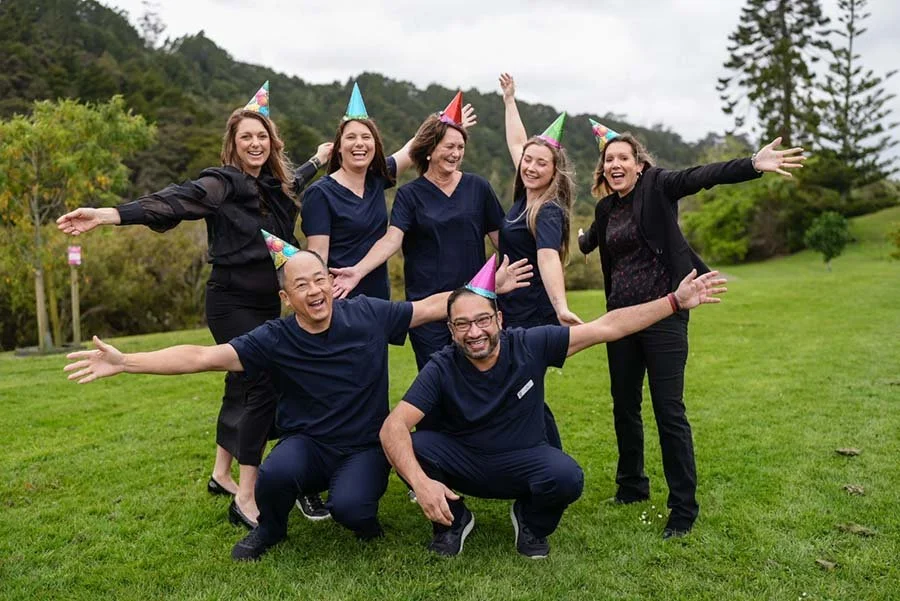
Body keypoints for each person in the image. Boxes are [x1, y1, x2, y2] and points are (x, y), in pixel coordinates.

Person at [64, 234, 532, 561]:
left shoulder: (366, 313)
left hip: (364, 445)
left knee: (353, 510)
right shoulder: (274, 337)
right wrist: (126, 362)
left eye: (320, 279)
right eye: (301, 284)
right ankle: (271, 529)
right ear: (288, 297)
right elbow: (203, 356)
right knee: (275, 473)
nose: (314, 290)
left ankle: (365, 521)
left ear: (331, 282)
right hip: (309, 442)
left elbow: (431, 307)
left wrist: (486, 288)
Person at [56, 82, 333, 528]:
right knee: (260, 381)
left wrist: (320, 158)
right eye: (246, 137)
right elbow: (176, 199)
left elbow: (296, 176)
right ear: (233, 144)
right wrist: (108, 214)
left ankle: (220, 473)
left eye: (261, 136)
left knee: (240, 383)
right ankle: (246, 497)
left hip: (266, 302)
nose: (255, 143)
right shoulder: (222, 183)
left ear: (271, 141)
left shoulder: (279, 185)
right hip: (231, 302)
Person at [380, 261, 727, 558]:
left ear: (499, 319)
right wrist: (422, 484)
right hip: (466, 460)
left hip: (522, 459)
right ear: (450, 329)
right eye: (462, 324)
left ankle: (530, 522)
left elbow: (608, 326)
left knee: (566, 476)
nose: (475, 332)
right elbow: (392, 426)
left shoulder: (531, 344)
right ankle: (452, 521)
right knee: (413, 445)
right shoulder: (442, 366)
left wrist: (673, 301)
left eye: (483, 320)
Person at [585, 118, 805, 538]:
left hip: (666, 313)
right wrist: (581, 241)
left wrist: (752, 164)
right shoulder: (605, 208)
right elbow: (598, 242)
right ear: (603, 169)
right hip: (622, 319)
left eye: (623, 158)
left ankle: (682, 509)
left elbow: (703, 176)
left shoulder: (658, 186)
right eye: (608, 159)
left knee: (669, 411)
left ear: (639, 165)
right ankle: (631, 486)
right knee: (624, 404)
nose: (615, 164)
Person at [331, 91, 502, 371]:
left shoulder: (478, 188)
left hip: (475, 307)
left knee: (481, 381)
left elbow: (502, 240)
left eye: (460, 147)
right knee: (439, 384)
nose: (456, 154)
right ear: (430, 150)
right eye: (449, 146)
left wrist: (509, 275)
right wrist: (358, 270)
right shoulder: (410, 195)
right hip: (427, 314)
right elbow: (392, 240)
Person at [497, 73, 581, 450]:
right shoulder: (526, 197)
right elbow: (518, 142)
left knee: (524, 392)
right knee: (517, 390)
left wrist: (561, 307)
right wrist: (510, 100)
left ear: (554, 171)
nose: (530, 167)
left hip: (531, 316)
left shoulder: (546, 211)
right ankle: (532, 457)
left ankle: (550, 462)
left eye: (540, 164)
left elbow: (548, 258)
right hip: (511, 310)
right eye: (527, 161)